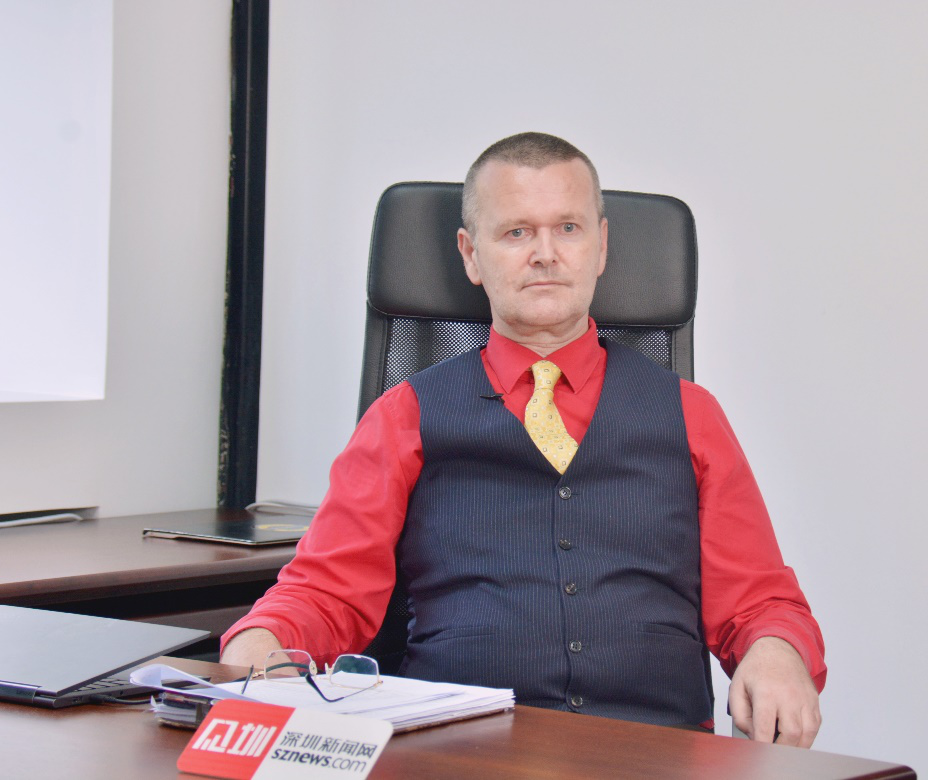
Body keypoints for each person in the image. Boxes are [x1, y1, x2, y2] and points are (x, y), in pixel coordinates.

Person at [222, 132, 825, 745]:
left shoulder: (691, 414)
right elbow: (326, 591)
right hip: (459, 749)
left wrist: (776, 651)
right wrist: (260, 641)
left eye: (568, 228)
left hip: (653, 752)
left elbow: (758, 601)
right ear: (471, 255)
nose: (545, 254)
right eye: (516, 232)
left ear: (601, 246)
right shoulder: (404, 415)